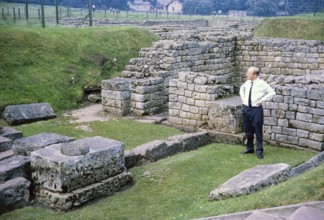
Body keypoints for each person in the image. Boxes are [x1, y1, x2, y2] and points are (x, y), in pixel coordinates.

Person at [239, 67, 276, 159]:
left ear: (254, 75)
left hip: (256, 110)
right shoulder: (247, 83)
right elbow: (241, 89)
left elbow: (272, 92)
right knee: (248, 131)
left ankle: (259, 150)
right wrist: (243, 98)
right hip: (247, 109)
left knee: (258, 130)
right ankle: (249, 148)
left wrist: (262, 100)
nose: (246, 75)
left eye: (248, 73)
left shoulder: (261, 84)